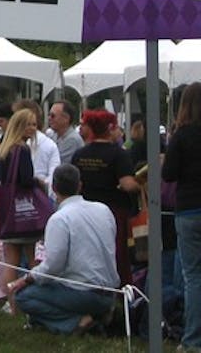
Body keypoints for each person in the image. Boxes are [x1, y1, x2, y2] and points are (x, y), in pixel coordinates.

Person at [11, 164, 119, 335]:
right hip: (110, 292)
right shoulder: (104, 210)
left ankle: (74, 323)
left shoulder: (59, 219)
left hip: (84, 293)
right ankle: (96, 314)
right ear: (80, 185)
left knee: (23, 296)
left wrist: (27, 278)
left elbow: (53, 266)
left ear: (53, 188)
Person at [163, 81, 201, 350]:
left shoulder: (182, 135)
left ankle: (195, 339)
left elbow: (169, 175)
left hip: (190, 208)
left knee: (195, 276)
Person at [72, 109, 140, 287]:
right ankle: (119, 292)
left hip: (85, 211)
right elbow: (127, 184)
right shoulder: (119, 154)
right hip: (114, 211)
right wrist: (143, 183)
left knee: (90, 252)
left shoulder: (79, 155)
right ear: (110, 129)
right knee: (116, 255)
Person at [0, 108, 47, 315]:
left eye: (35, 124)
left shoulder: (4, 150)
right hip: (25, 213)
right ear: (19, 126)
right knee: (32, 258)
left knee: (11, 261)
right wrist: (37, 182)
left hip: (8, 213)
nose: (33, 128)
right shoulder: (22, 150)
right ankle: (34, 299)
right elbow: (25, 180)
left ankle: (11, 302)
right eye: (29, 124)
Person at [46, 100, 83, 165]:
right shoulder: (52, 135)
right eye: (48, 115)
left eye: (52, 116)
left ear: (66, 118)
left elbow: (56, 163)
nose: (49, 118)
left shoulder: (72, 140)